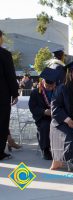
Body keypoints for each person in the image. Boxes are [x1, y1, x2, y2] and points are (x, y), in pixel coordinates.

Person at [29, 67, 58, 160]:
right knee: (45, 126)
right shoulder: (36, 92)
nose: (49, 88)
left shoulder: (58, 91)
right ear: (43, 81)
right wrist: (44, 112)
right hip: (42, 118)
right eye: (47, 85)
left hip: (56, 116)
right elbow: (33, 107)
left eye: (51, 85)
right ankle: (45, 149)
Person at [0, 30, 19, 160]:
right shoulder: (4, 54)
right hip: (1, 95)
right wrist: (14, 93)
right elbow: (10, 76)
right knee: (1, 123)